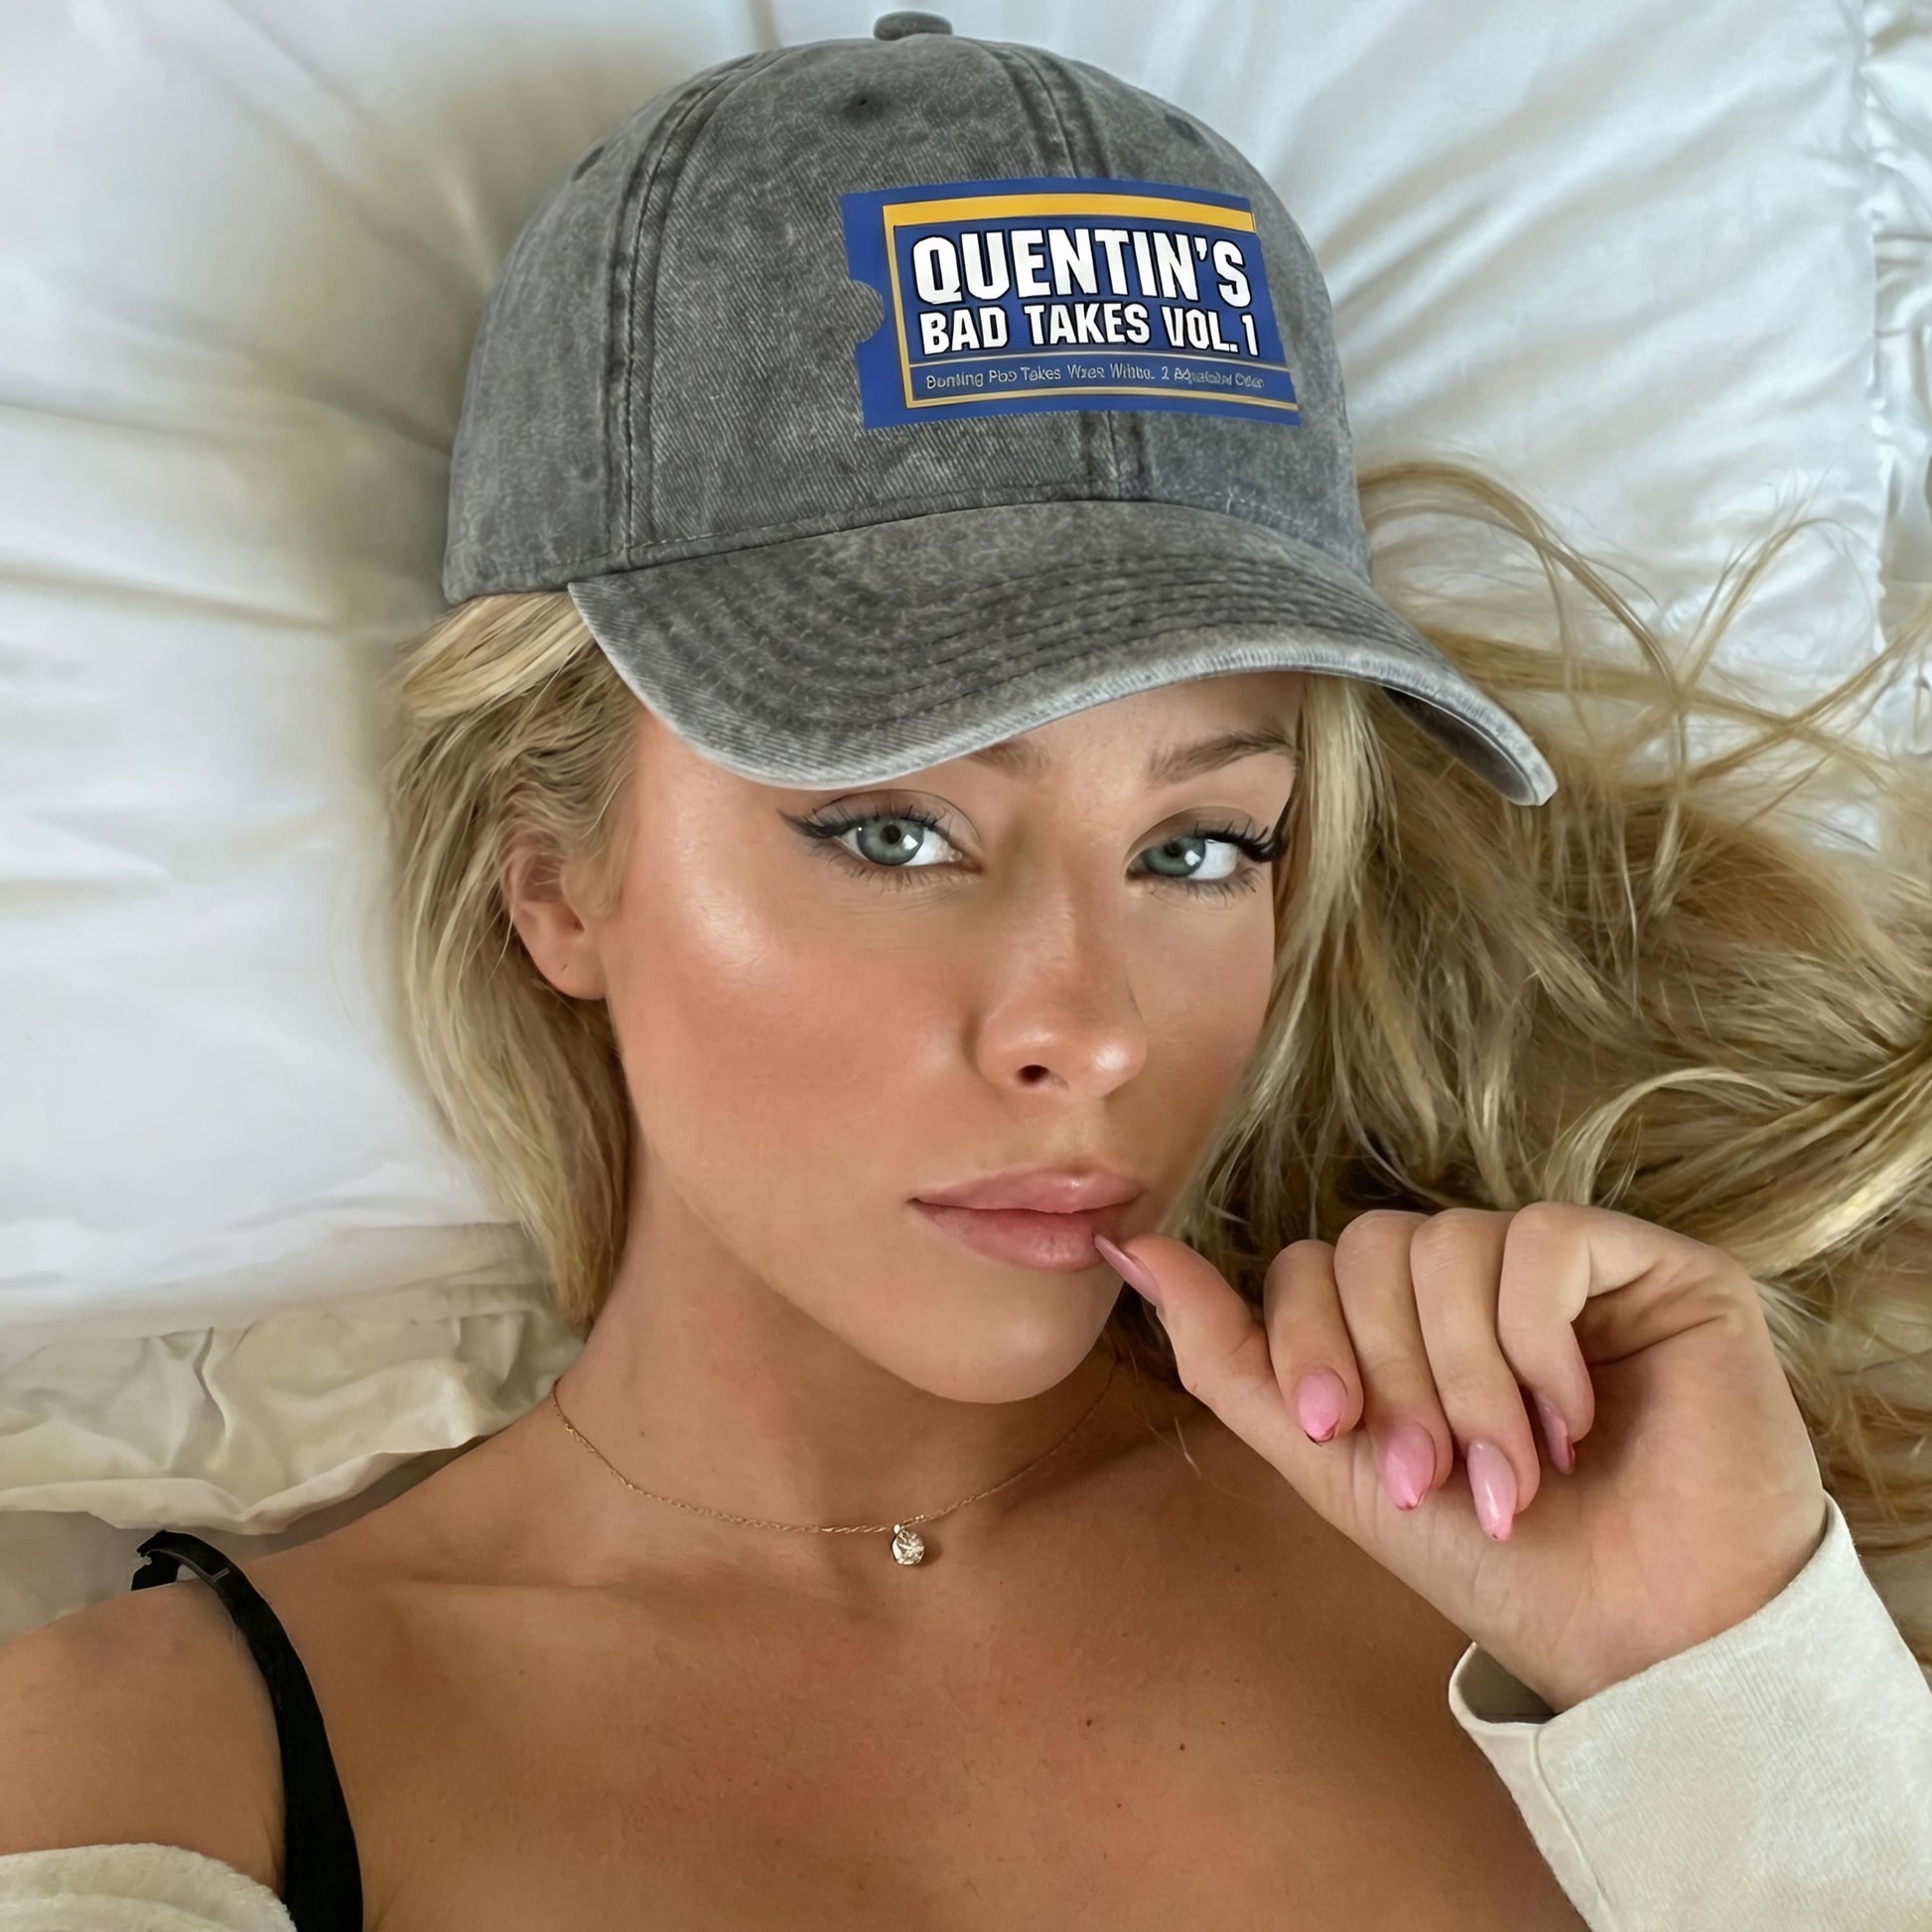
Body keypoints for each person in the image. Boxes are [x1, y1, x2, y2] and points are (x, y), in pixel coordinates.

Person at [4, 13, 1932, 1931]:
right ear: (555, 881)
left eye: (1197, 847)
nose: (1083, 1027)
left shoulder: (1633, 1625)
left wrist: (1739, 1696)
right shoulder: (155, 1778)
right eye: (892, 831)